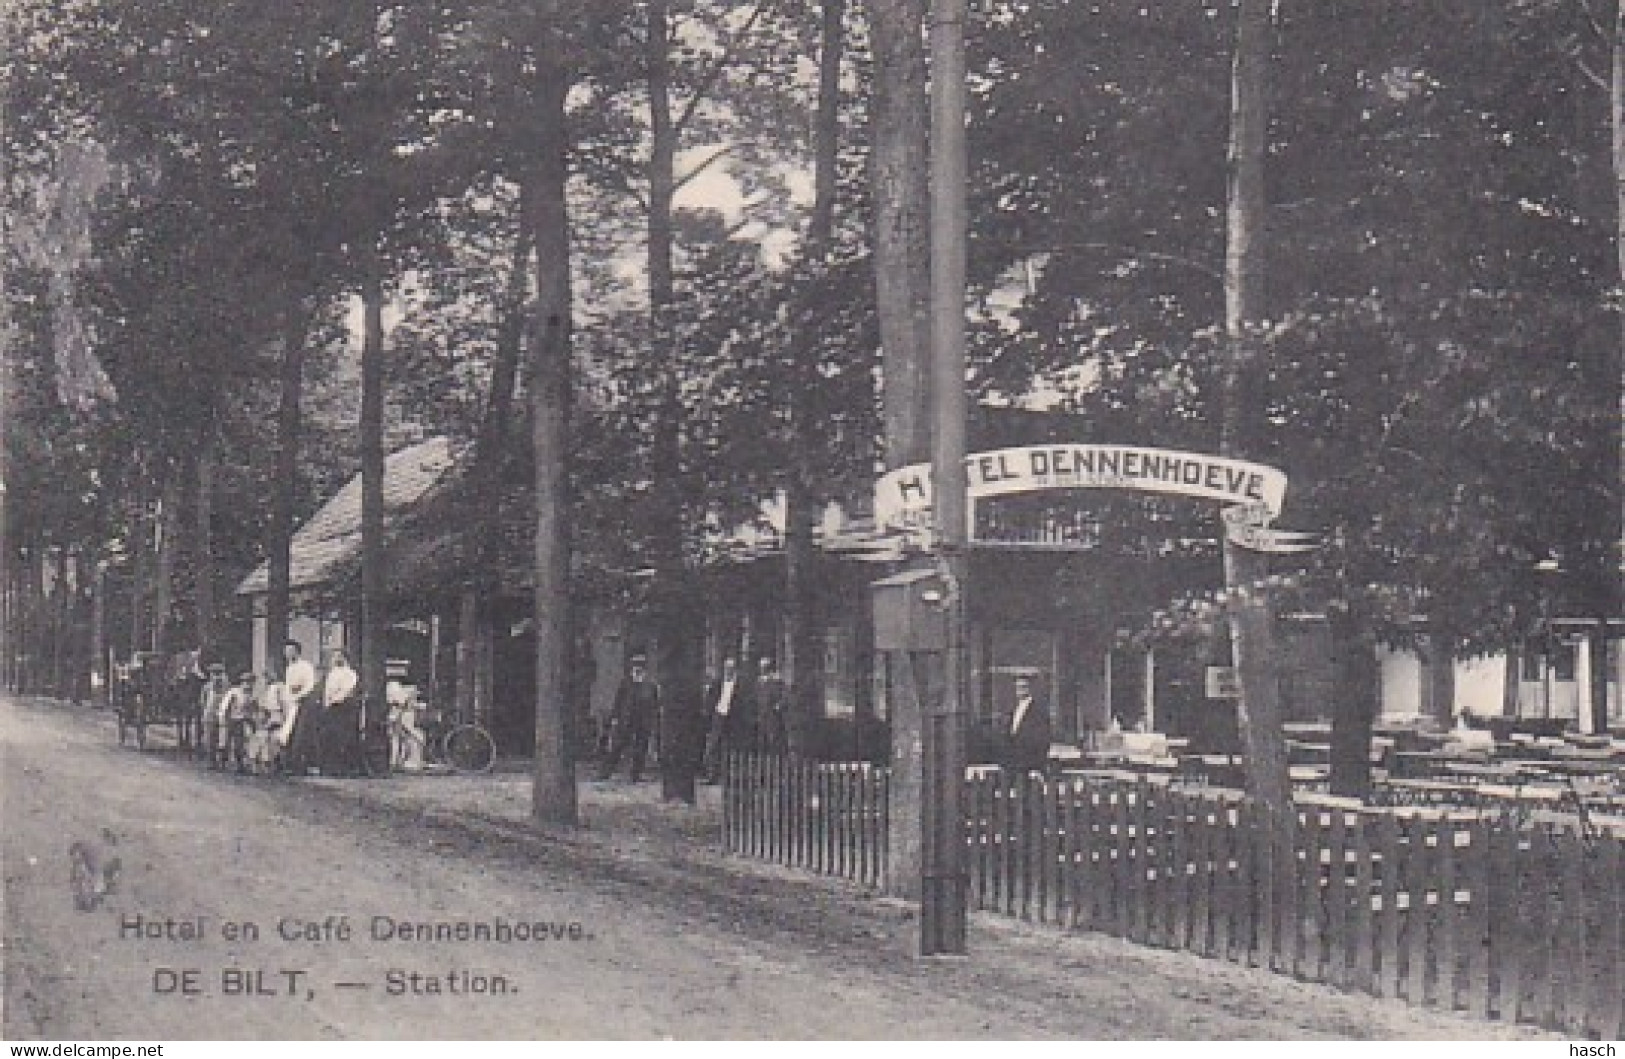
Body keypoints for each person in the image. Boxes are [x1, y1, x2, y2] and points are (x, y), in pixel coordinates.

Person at [597, 654, 660, 782]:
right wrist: (614, 718)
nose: (638, 668)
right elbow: (618, 702)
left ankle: (635, 774)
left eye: (641, 665)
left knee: (641, 747)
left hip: (643, 721)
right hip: (626, 720)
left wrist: (653, 720)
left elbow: (654, 704)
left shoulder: (650, 685)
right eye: (635, 665)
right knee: (617, 746)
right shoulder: (626, 683)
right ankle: (605, 773)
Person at [701, 656, 748, 783]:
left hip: (733, 719)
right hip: (718, 716)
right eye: (727, 668)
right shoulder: (717, 683)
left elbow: (744, 703)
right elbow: (710, 700)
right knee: (714, 746)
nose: (728, 671)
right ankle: (713, 776)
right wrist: (710, 714)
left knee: (732, 748)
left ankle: (730, 777)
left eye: (731, 668)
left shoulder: (741, 685)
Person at [321, 648, 361, 776]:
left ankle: (346, 768)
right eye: (334, 656)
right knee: (330, 737)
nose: (336, 659)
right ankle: (331, 767)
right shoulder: (333, 673)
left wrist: (337, 698)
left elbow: (346, 690)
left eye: (339, 656)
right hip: (332, 707)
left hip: (343, 707)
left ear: (344, 658)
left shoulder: (350, 673)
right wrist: (327, 702)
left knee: (344, 737)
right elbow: (328, 690)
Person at [281, 640, 318, 773]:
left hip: (304, 703)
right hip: (292, 703)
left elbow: (310, 685)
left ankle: (303, 764)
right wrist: (287, 700)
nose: (288, 653)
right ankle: (290, 764)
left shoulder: (306, 667)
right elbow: (288, 688)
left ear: (297, 651)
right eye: (286, 651)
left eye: (291, 651)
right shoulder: (289, 668)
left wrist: (299, 695)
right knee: (288, 733)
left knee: (302, 733)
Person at [1005, 673, 1052, 776]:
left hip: (1030, 766)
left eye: (1023, 687)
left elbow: (1042, 739)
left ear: (1030, 688)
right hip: (1014, 765)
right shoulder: (1014, 709)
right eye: (1017, 687)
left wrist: (1036, 765)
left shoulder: (1038, 711)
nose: (1020, 690)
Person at [221, 671, 255, 773]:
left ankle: (239, 764)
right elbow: (225, 705)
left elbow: (250, 710)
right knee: (226, 741)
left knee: (239, 743)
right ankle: (223, 762)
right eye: (247, 682)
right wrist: (223, 718)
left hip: (241, 720)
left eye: (250, 682)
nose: (248, 684)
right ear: (242, 682)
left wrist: (251, 720)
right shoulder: (234, 692)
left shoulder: (250, 695)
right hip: (231, 719)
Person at [753, 657, 788, 756]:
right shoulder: (758, 682)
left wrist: (779, 705)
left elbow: (785, 695)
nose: (763, 669)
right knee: (761, 738)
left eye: (765, 667)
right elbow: (755, 696)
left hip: (772, 714)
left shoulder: (776, 681)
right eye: (762, 667)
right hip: (761, 713)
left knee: (773, 738)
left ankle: (775, 761)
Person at [199, 664, 231, 769]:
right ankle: (211, 761)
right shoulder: (207, 687)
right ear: (210, 675)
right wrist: (207, 712)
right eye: (214, 674)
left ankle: (223, 761)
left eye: (219, 673)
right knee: (210, 739)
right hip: (209, 716)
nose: (216, 677)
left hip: (223, 716)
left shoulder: (227, 687)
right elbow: (203, 702)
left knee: (223, 740)